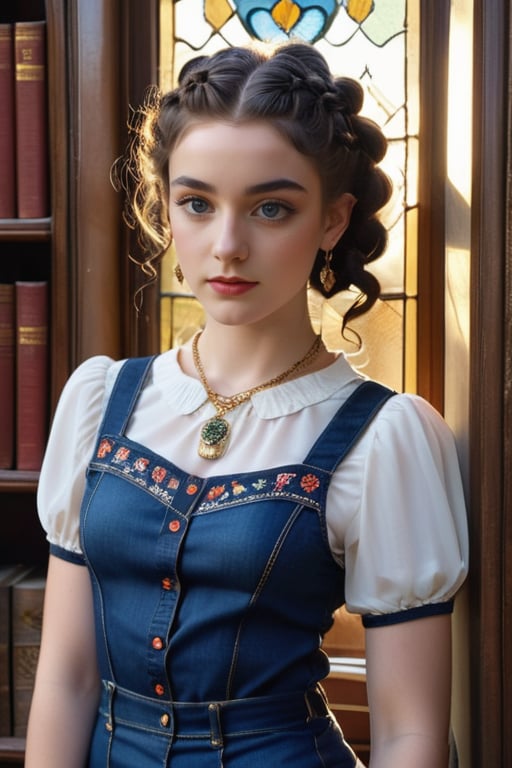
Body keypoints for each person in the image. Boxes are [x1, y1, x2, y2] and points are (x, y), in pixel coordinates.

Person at [26, 42, 468, 768]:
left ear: (332, 220)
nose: (227, 246)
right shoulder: (102, 400)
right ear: (167, 210)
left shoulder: (384, 439)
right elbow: (68, 678)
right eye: (197, 203)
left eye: (271, 208)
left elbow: (406, 731)